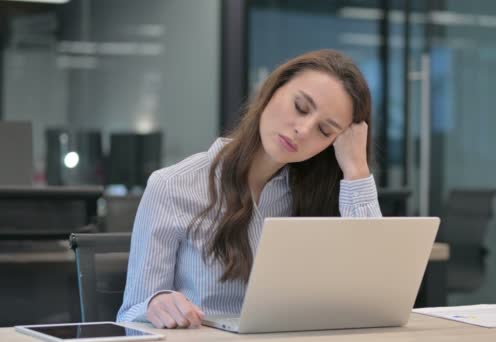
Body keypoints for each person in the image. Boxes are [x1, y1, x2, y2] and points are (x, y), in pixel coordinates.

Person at [116, 49, 382, 329]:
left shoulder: (314, 194)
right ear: (269, 91)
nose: (303, 130)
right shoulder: (172, 186)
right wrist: (156, 305)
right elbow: (129, 316)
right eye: (300, 107)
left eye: (325, 131)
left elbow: (374, 294)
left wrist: (356, 172)